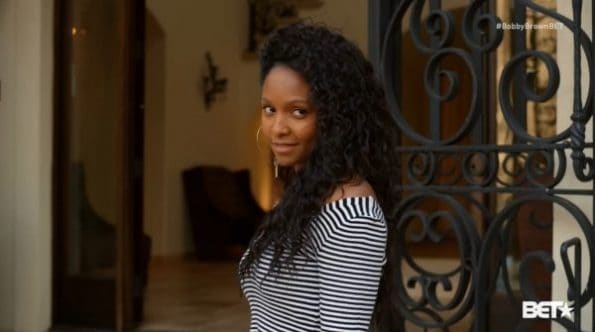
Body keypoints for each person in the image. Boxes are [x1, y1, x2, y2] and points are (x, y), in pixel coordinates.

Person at [238, 23, 402, 332]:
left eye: (299, 112)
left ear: (336, 118)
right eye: (269, 109)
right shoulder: (305, 195)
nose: (278, 128)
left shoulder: (351, 215)